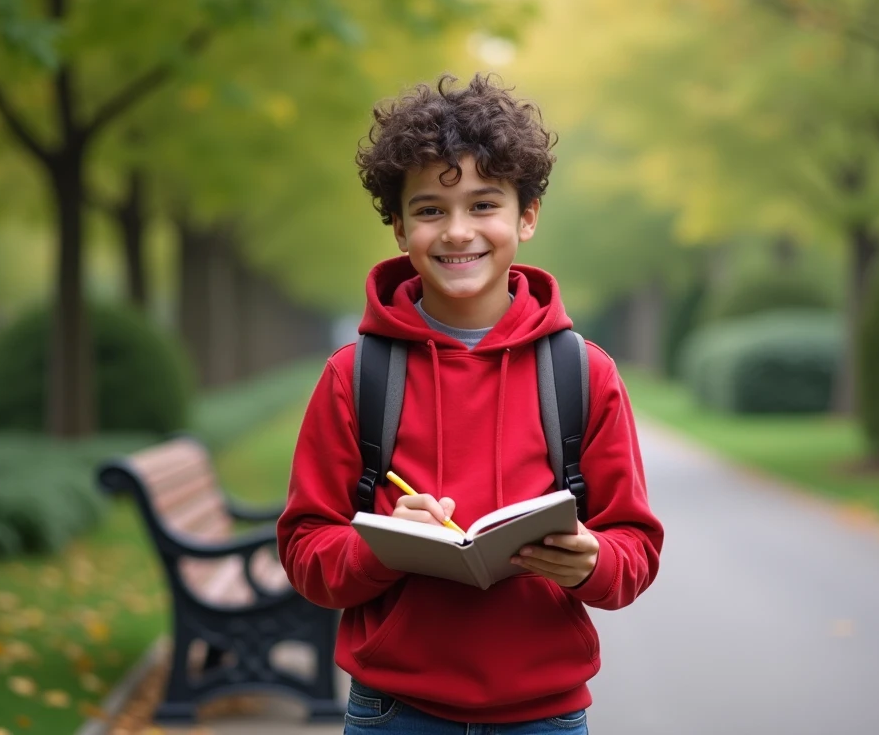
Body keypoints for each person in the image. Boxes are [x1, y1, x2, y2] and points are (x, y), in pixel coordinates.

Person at [276, 74, 664, 734]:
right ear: (398, 228)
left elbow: (635, 550)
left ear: (527, 216)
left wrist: (592, 560)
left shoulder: (583, 372)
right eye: (430, 210)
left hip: (546, 716)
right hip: (394, 714)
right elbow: (306, 553)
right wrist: (384, 547)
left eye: (484, 204)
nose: (458, 232)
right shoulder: (355, 375)